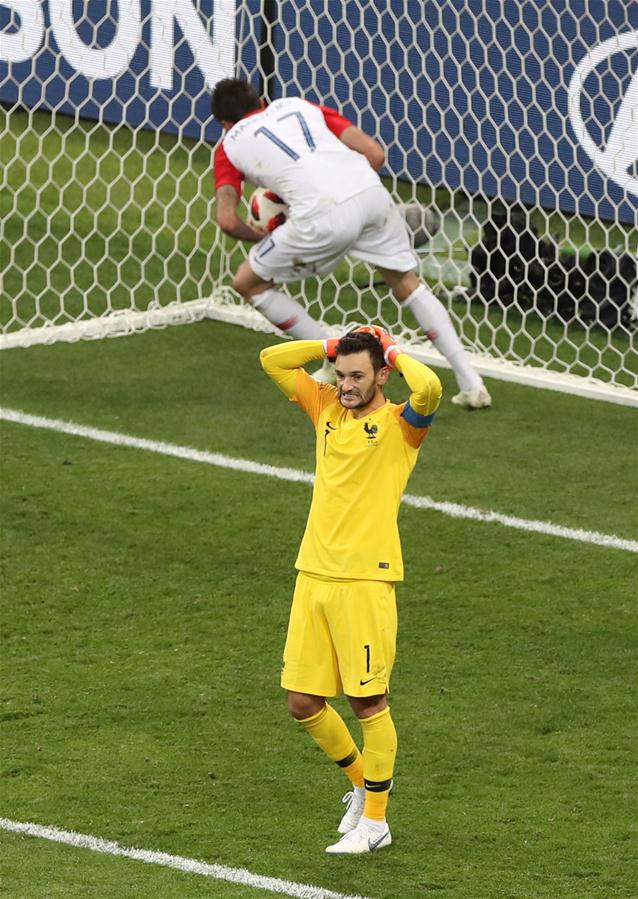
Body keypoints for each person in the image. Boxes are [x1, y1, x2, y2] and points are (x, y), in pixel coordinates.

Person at [260, 325, 442, 854]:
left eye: (358, 376)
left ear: (382, 375)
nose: (345, 384)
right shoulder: (326, 409)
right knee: (301, 701)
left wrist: (393, 349)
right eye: (340, 375)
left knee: (368, 702)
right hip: (313, 574)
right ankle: (363, 785)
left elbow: (429, 389)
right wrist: (327, 346)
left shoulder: (399, 426)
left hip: (365, 580)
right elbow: (272, 359)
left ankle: (377, 823)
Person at [212, 77, 491, 409]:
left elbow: (228, 221)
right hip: (371, 194)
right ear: (260, 101)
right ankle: (471, 383)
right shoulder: (299, 105)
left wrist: (266, 236)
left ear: (225, 124)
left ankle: (333, 357)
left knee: (248, 282)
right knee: (407, 284)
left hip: (318, 218)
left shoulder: (229, 146)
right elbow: (374, 152)